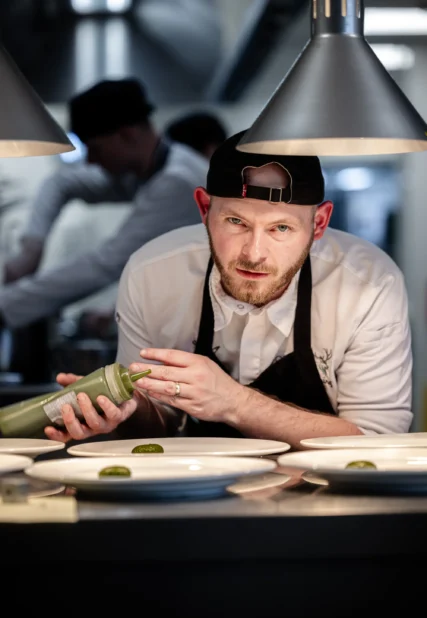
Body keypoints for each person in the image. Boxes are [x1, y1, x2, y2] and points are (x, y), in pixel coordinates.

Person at [44, 131, 413, 449]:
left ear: (319, 223)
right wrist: (128, 413)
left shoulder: (369, 285)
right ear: (204, 208)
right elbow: (159, 424)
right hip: (193, 497)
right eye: (236, 221)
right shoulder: (152, 275)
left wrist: (234, 402)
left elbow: (378, 442)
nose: (254, 254)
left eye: (281, 228)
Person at [0, 77, 209, 329]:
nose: (90, 162)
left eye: (95, 149)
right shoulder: (151, 168)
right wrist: (31, 249)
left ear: (127, 135)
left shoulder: (177, 182)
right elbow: (61, 184)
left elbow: (105, 264)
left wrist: (6, 306)